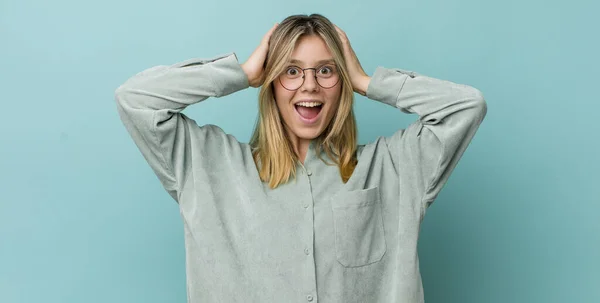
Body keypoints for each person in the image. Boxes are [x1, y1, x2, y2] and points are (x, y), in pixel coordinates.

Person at [115, 13, 486, 303]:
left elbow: (466, 107)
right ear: (272, 83)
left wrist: (367, 81)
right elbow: (136, 99)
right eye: (291, 71)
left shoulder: (396, 167)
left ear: (341, 84)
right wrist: (242, 73)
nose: (309, 85)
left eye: (326, 71)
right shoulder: (207, 166)